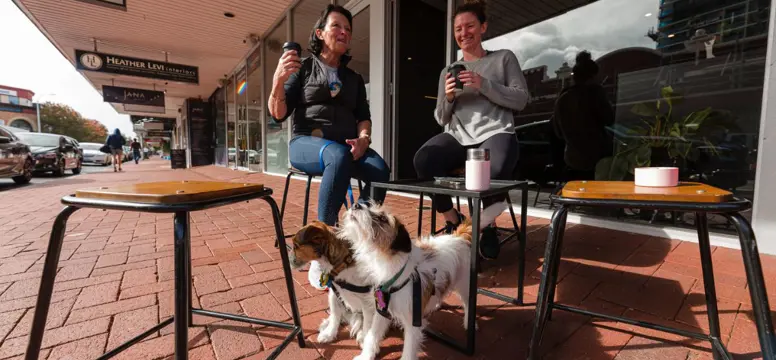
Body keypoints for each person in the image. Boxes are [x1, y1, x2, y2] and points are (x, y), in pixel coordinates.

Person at [413, 0, 530, 260]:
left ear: (483, 27)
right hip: (458, 135)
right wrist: (450, 97)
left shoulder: (503, 59)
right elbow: (441, 117)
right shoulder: (448, 70)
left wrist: (484, 84)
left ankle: (485, 226)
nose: (463, 33)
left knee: (492, 172)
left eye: (469, 26)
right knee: (424, 160)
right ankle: (454, 219)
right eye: (458, 29)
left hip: (495, 131)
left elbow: (521, 99)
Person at [268, 4, 390, 226]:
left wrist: (364, 139)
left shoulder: (354, 79)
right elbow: (278, 114)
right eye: (336, 26)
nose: (344, 32)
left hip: (344, 147)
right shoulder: (302, 69)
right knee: (338, 156)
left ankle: (354, 227)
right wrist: (278, 81)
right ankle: (323, 241)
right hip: (305, 144)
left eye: (348, 29)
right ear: (320, 33)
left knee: (380, 171)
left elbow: (364, 116)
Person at [550, 51, 615, 180]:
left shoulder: (563, 98)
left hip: (572, 160)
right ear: (592, 76)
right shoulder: (594, 94)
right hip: (597, 161)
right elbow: (609, 119)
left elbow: (557, 132)